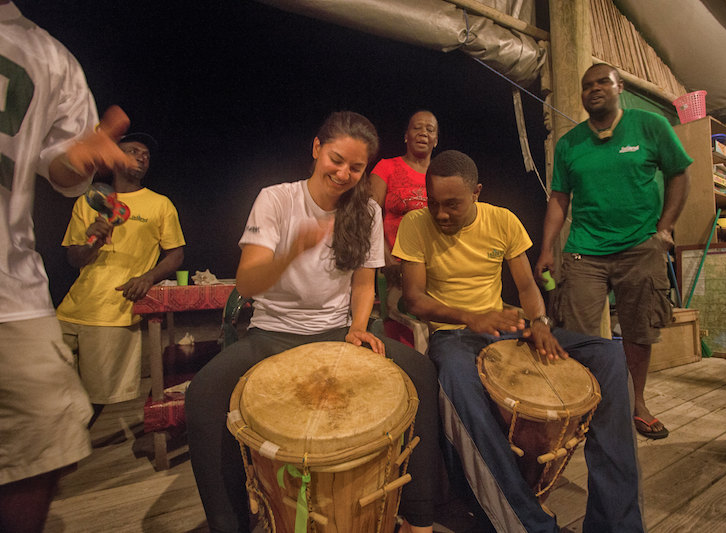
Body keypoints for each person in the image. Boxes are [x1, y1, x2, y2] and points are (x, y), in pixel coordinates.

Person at [185, 111, 439, 533]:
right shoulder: (276, 199)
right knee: (203, 396)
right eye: (336, 159)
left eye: (356, 167)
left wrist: (358, 327)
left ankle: (419, 514)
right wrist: (292, 249)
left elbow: (363, 285)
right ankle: (229, 522)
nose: (344, 173)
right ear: (317, 148)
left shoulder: (367, 213)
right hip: (271, 334)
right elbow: (247, 284)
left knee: (421, 372)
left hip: (336, 333)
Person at [394, 150, 644, 532]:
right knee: (455, 383)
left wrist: (539, 322)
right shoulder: (415, 224)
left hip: (505, 327)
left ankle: (616, 522)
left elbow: (527, 286)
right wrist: (470, 317)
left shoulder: (503, 220)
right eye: (434, 204)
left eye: (452, 205)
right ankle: (527, 524)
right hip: (455, 336)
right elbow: (413, 298)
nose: (441, 214)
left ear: (476, 192)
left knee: (609, 355)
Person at [0, 2, 136, 531]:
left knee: (57, 432)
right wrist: (91, 245)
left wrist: (80, 158)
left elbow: (60, 167)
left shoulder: (50, 56)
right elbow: (73, 253)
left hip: (19, 291)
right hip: (78, 302)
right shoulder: (93, 207)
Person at [534, 63, 692, 440]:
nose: (595, 89)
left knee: (640, 329)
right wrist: (546, 250)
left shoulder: (650, 125)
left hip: (640, 246)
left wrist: (665, 227)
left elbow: (679, 173)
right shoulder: (570, 143)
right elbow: (559, 198)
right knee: (577, 333)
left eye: (603, 82)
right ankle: (586, 404)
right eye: (587, 85)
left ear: (619, 86)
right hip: (584, 251)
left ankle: (637, 403)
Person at [56, 132, 186, 427]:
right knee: (48, 387)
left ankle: (68, 450)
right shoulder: (89, 202)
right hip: (70, 310)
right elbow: (74, 258)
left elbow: (176, 255)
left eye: (146, 155)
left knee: (96, 395)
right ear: (114, 158)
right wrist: (94, 241)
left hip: (114, 311)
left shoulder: (159, 204)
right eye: (133, 151)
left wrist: (147, 278)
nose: (142, 157)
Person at [369, 110, 438, 302]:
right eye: (417, 128)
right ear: (406, 137)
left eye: (430, 129)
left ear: (436, 140)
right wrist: (385, 259)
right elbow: (368, 217)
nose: (423, 132)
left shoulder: (442, 175)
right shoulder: (387, 167)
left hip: (437, 268)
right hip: (396, 267)